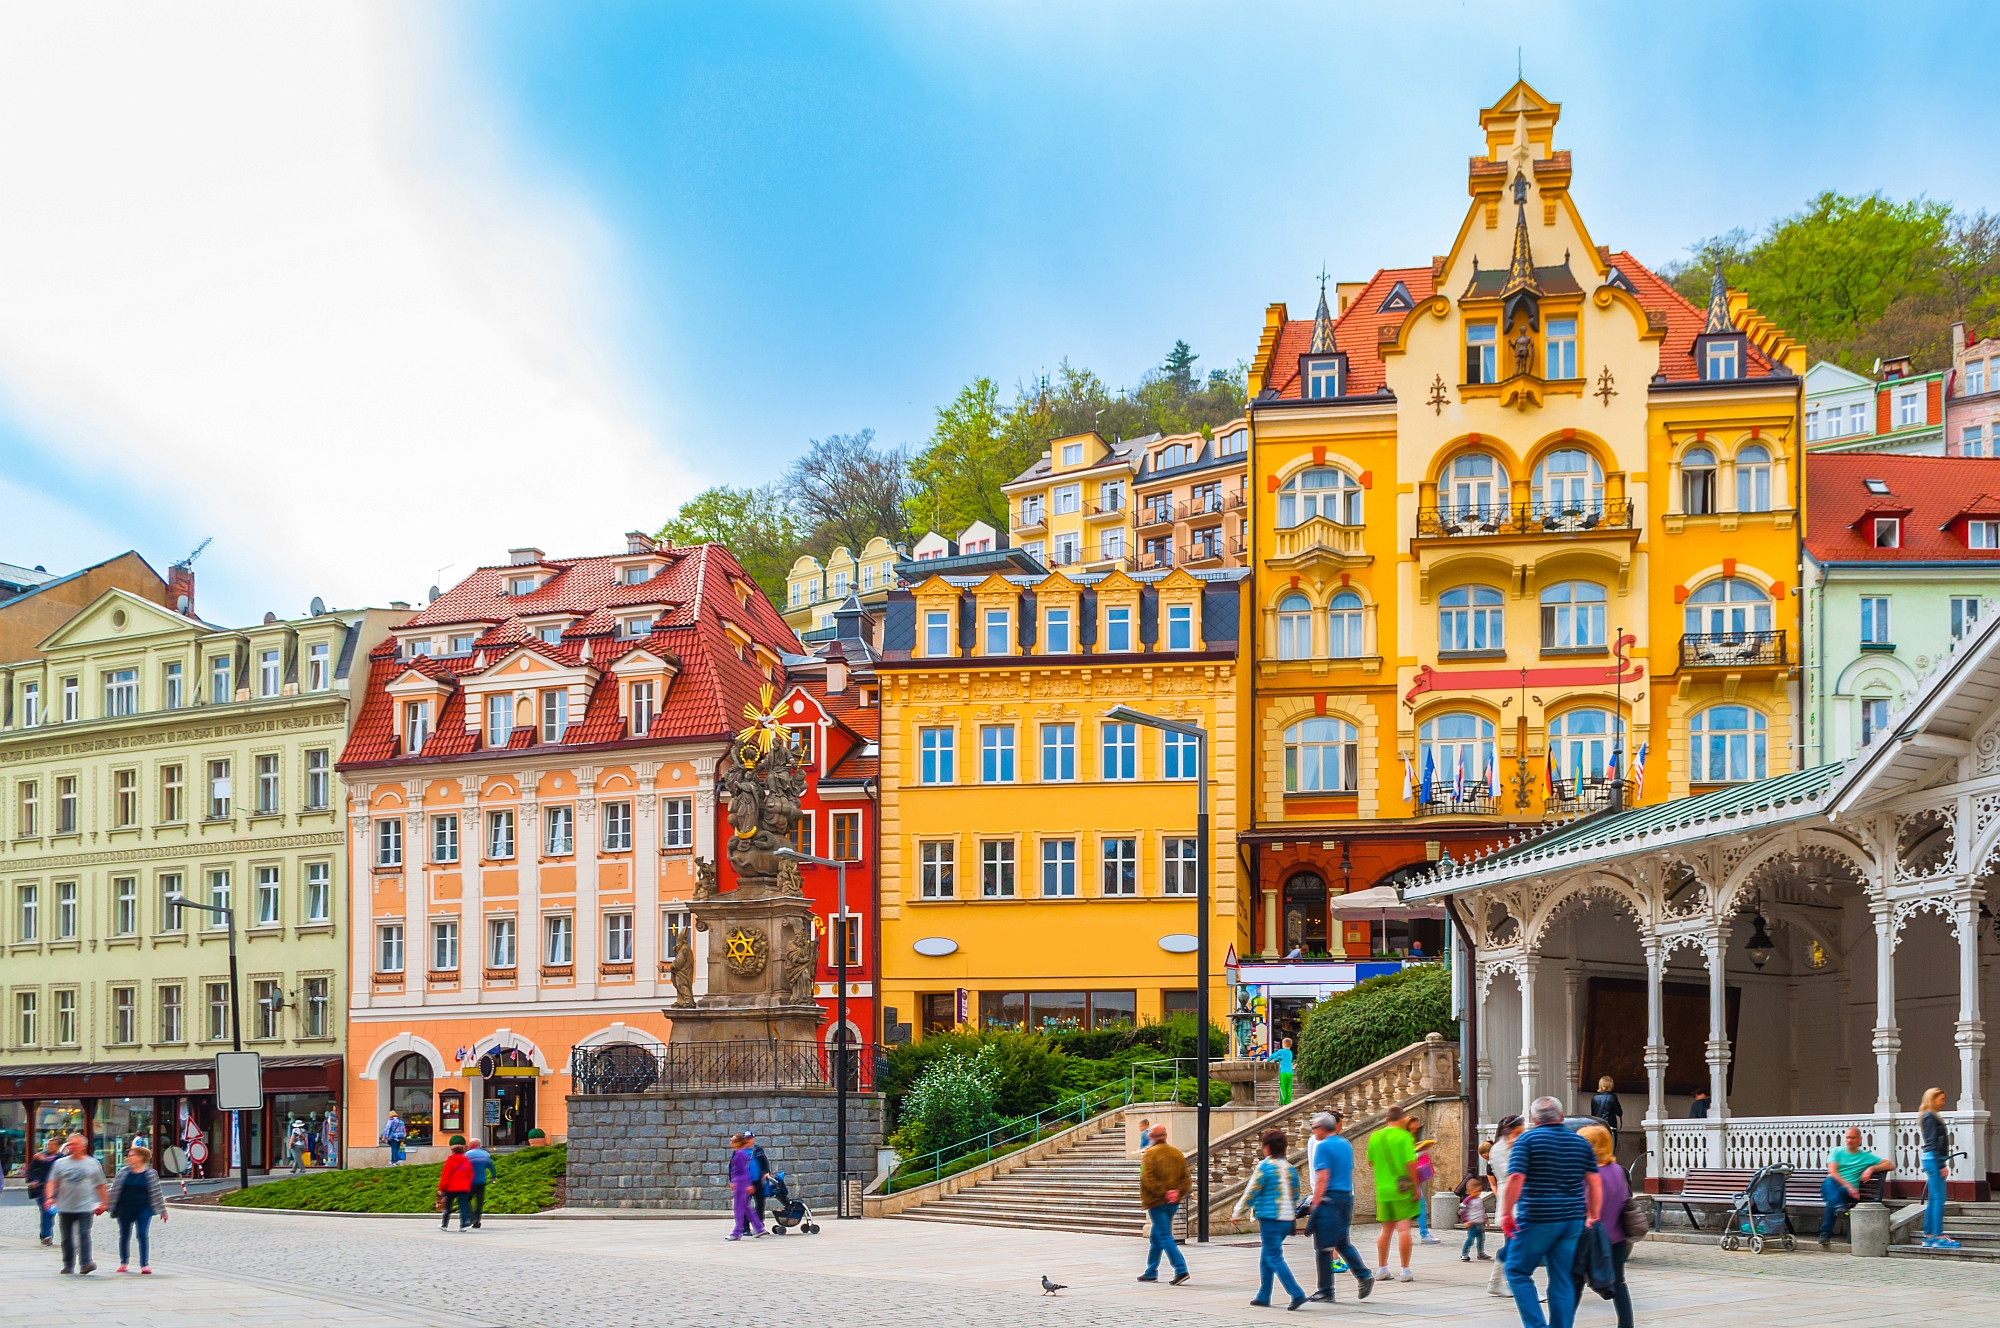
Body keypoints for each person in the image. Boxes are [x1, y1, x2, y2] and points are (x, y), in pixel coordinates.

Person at [1501, 1096, 1601, 1328]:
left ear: (1534, 1119)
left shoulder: (1526, 1140)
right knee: (1562, 1277)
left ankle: (1537, 1326)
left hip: (1538, 1216)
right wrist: (1593, 1214)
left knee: (1517, 1270)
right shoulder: (1580, 1143)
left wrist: (1507, 1212)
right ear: (1561, 1116)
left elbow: (1516, 1178)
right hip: (1572, 1219)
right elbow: (1594, 1182)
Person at [1231, 1129, 1306, 1310]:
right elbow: (1296, 1192)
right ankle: (1264, 1295)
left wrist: (1238, 1211)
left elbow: (1252, 1191)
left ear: (1267, 1148)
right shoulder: (1289, 1168)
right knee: (1267, 1255)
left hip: (1271, 1218)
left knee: (1273, 1256)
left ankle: (1296, 1293)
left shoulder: (1265, 1167)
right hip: (1287, 1218)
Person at [1304, 1110, 1372, 1303]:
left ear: (1323, 1128)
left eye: (1315, 1127)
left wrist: (1315, 1204)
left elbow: (1322, 1178)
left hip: (1329, 1199)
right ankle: (1363, 1275)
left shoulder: (1323, 1146)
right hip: (1345, 1196)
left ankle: (1326, 1290)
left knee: (1323, 1246)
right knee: (1342, 1241)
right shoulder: (1345, 1144)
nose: (1313, 1131)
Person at [1571, 1124, 1632, 1328]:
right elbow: (1625, 1199)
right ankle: (1626, 1324)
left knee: (1575, 1282)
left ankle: (1562, 1323)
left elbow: (1579, 1203)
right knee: (1619, 1284)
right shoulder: (1618, 1170)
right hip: (1617, 1237)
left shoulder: (1585, 1173)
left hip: (1588, 1236)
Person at [1818, 1125, 1893, 1249]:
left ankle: (1825, 1233)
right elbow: (1833, 1172)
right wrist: (1850, 1187)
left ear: (1859, 1140)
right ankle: (1837, 1204)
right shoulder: (1836, 1151)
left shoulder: (1865, 1156)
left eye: (1853, 1138)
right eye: (1847, 1137)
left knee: (1835, 1197)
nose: (1849, 1140)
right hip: (1833, 1186)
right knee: (1831, 1182)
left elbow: (1889, 1164)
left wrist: (1871, 1168)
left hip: (1846, 1194)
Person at [1368, 1107, 1420, 1282]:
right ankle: (1405, 1270)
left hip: (1382, 1189)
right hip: (1403, 1188)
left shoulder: (1375, 1136)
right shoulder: (1405, 1136)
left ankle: (1382, 1268)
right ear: (1403, 1118)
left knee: (1385, 1230)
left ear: (1386, 1119)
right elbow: (1410, 1164)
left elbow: (1370, 1162)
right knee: (1404, 1229)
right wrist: (1416, 1187)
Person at [1136, 1124, 1190, 1285]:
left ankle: (1181, 1269)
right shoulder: (1177, 1153)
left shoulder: (1149, 1154)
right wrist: (1177, 1192)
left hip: (1156, 1201)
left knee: (1164, 1235)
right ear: (1165, 1136)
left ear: (1152, 1137)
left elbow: (1148, 1179)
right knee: (1156, 1235)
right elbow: (1186, 1179)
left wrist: (1163, 1192)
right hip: (1173, 1202)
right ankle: (1151, 1271)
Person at [50, 1132, 109, 1275]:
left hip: (86, 1206)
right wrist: (50, 1197)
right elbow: (52, 1181)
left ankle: (86, 1263)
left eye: (74, 1144)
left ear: (83, 1146)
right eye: (69, 1144)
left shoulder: (92, 1163)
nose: (71, 1147)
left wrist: (105, 1203)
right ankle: (68, 1264)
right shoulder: (60, 1163)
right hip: (65, 1206)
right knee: (66, 1237)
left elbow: (100, 1185)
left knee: (84, 1234)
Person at [108, 1145, 167, 1274]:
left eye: (131, 1155)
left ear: (141, 1157)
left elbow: (157, 1192)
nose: (129, 1157)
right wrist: (105, 1204)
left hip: (144, 1208)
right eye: (128, 1155)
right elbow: (114, 1190)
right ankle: (124, 1262)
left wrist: (163, 1210)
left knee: (142, 1235)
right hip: (125, 1208)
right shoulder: (123, 1172)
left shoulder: (151, 1173)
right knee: (124, 1235)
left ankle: (144, 1264)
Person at [1485, 1115, 1525, 1298]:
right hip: (1512, 1200)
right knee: (1514, 1244)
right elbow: (1511, 1175)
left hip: (1520, 1200)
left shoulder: (1512, 1145)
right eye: (1519, 1129)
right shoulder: (1500, 1149)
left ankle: (1497, 1282)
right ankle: (1506, 1283)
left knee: (1513, 1244)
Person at [1918, 1087, 1958, 1249]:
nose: (1943, 1102)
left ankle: (1928, 1236)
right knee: (1938, 1199)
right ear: (1932, 1100)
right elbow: (1933, 1142)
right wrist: (1942, 1165)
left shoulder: (1929, 1116)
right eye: (1941, 1099)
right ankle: (1938, 1236)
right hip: (1934, 1159)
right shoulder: (1930, 1117)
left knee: (1934, 1199)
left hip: (1931, 1159)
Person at [1408, 1120, 1441, 1245]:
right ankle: (1424, 1234)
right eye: (1414, 1127)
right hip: (1409, 1178)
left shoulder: (1406, 1137)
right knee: (1420, 1205)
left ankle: (1418, 1233)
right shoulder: (1405, 1137)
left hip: (1404, 1178)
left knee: (1416, 1205)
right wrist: (1421, 1150)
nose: (1415, 1130)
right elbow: (1409, 1158)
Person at [26, 1135, 62, 1246]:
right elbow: (31, 1170)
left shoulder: (62, 1158)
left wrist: (44, 1160)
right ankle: (47, 1235)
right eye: (49, 1145)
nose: (49, 1147)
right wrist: (34, 1180)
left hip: (58, 1189)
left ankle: (45, 1235)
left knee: (52, 1212)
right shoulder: (40, 1156)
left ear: (59, 1147)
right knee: (46, 1210)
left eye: (52, 1145)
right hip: (42, 1188)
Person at [728, 1132, 766, 1239]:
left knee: (739, 1208)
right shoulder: (739, 1153)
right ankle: (759, 1228)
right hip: (740, 1181)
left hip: (741, 1182)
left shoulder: (740, 1154)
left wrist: (747, 1184)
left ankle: (737, 1232)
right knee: (746, 1207)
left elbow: (743, 1170)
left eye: (733, 1141)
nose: (731, 1143)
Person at [437, 1139, 474, 1231]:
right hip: (464, 1187)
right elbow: (470, 1175)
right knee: (463, 1206)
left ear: (453, 1152)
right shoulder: (466, 1161)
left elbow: (445, 1175)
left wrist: (441, 1188)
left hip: (451, 1188)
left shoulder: (450, 1161)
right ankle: (463, 1225)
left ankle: (444, 1225)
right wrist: (468, 1184)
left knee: (447, 1206)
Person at [465, 1137, 494, 1229]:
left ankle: (472, 1217)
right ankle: (477, 1221)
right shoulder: (485, 1154)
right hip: (482, 1182)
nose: (468, 1145)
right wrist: (494, 1176)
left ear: (472, 1145)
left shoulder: (467, 1155)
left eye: (469, 1144)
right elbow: (491, 1166)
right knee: (479, 1202)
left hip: (470, 1182)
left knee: (465, 1199)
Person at [1459, 1176, 1491, 1261]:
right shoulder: (1467, 1201)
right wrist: (1466, 1221)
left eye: (1479, 1191)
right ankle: (1464, 1254)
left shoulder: (1479, 1200)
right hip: (1472, 1223)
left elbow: (1482, 1210)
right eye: (1476, 1191)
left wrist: (1486, 1220)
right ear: (1470, 1191)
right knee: (1470, 1239)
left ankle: (1480, 1253)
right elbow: (1463, 1211)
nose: (1478, 1193)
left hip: (1480, 1223)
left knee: (1481, 1239)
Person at [1272, 1038, 1295, 1105]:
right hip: (1290, 1072)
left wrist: (1269, 1060)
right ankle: (1288, 1102)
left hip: (1283, 1072)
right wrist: (1276, 1060)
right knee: (1289, 1088)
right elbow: (1282, 1058)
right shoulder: (1290, 1053)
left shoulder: (1282, 1051)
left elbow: (1275, 1056)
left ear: (1284, 1044)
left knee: (1282, 1087)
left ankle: (1281, 1101)